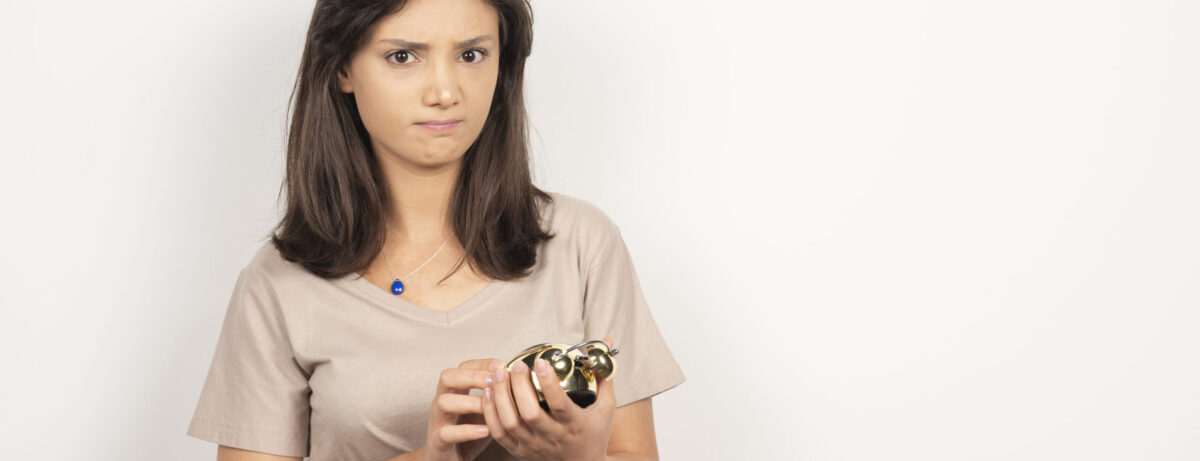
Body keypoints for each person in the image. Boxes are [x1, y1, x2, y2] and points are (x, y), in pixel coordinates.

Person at [184, 0, 686, 460]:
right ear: (341, 68)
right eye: (403, 57)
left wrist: (579, 455)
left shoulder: (583, 244)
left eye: (471, 55)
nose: (445, 92)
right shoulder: (278, 285)